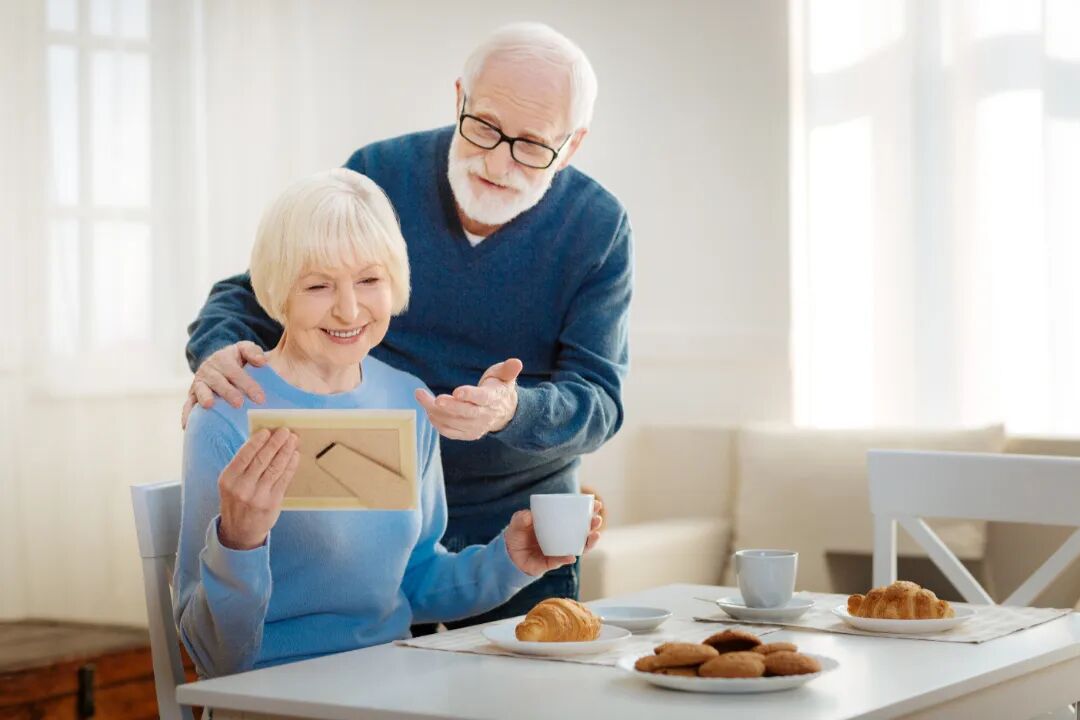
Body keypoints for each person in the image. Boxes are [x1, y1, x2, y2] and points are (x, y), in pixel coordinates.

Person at [183, 22, 631, 624]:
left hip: (517, 521)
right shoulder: (379, 174)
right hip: (369, 507)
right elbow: (265, 287)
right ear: (459, 100)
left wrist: (510, 410)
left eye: (531, 145)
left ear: (571, 145)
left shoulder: (597, 228)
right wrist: (221, 356)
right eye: (485, 127)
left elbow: (599, 400)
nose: (499, 162)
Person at [174, 168, 602, 677]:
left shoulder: (406, 399)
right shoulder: (226, 412)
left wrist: (510, 560)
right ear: (277, 289)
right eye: (318, 285)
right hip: (271, 694)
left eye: (369, 280)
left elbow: (415, 581)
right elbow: (210, 653)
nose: (349, 308)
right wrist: (238, 543)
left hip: (394, 683)